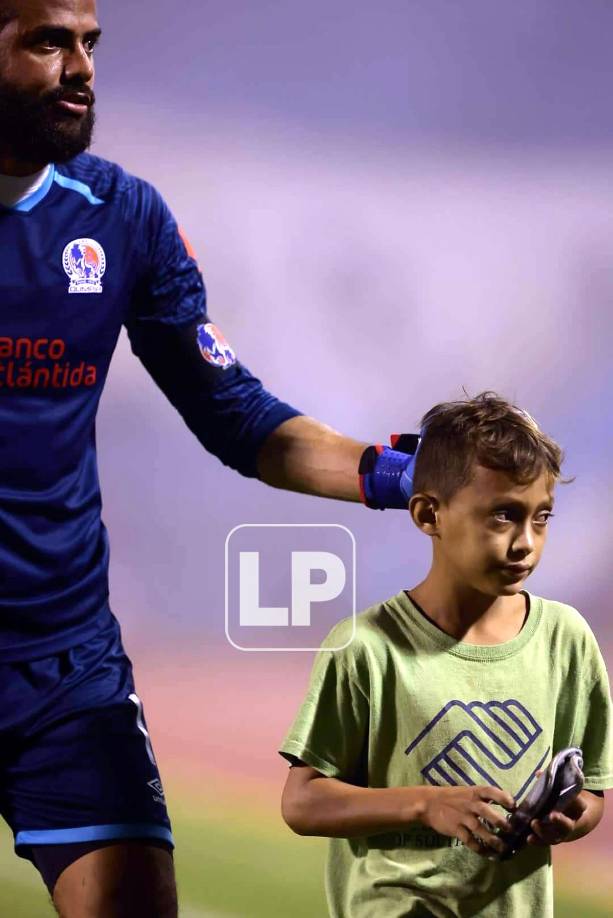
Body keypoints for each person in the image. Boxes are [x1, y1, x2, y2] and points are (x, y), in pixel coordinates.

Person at [0, 1, 420, 915]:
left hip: (66, 666)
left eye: (89, 43)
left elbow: (238, 418)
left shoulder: (120, 216)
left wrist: (402, 478)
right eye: (46, 42)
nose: (80, 68)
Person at [279, 392, 613, 918]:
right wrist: (425, 804)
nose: (526, 542)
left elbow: (591, 793)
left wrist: (571, 819)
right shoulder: (367, 647)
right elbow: (301, 802)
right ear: (429, 514)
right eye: (503, 516)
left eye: (541, 517)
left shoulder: (566, 641)